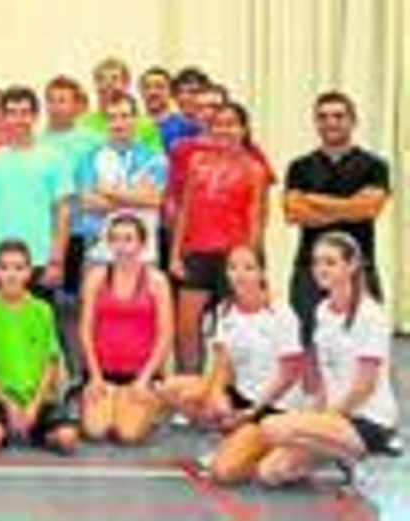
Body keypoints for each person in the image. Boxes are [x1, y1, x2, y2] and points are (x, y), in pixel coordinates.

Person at [254, 233, 399, 487]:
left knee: (272, 427)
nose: (321, 269)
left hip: (369, 421)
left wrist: (323, 420)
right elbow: (325, 375)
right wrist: (315, 414)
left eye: (330, 262)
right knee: (270, 473)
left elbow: (364, 387)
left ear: (352, 265)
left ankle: (356, 453)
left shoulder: (371, 315)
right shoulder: (322, 310)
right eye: (317, 262)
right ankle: (335, 452)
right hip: (335, 418)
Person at [155, 245, 305, 484]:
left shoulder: (281, 312)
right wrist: (218, 399)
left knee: (224, 472)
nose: (240, 274)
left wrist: (251, 412)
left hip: (272, 407)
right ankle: (236, 436)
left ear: (262, 273)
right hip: (241, 397)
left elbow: (290, 374)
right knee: (169, 389)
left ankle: (276, 445)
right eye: (233, 268)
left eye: (248, 268)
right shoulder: (225, 310)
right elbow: (222, 366)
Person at [282, 91, 390, 353]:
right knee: (309, 344)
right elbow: (294, 214)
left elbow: (369, 210)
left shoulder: (375, 165)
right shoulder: (299, 166)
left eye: (339, 116)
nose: (331, 122)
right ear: (316, 123)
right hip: (309, 267)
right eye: (323, 117)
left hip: (359, 266)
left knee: (364, 346)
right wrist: (350, 207)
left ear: (353, 121)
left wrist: (313, 199)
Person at [169, 103, 270, 375]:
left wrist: (251, 264)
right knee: (186, 327)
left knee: (233, 328)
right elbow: (185, 209)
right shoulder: (196, 161)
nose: (225, 130)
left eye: (232, 124)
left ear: (244, 129)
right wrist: (175, 254)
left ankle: (230, 389)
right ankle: (188, 387)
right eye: (219, 124)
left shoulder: (255, 169)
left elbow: (256, 218)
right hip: (196, 251)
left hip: (234, 255)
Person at [0, 241, 81, 454]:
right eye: (4, 267)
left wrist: (35, 405)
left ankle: (30, 430)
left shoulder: (43, 310)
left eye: (19, 268)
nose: (12, 274)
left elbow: (52, 363)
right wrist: (8, 403)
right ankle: (0, 429)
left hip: (36, 398)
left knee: (68, 439)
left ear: (29, 272)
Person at [0, 87, 73, 301]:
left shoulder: (55, 159)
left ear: (34, 116)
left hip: (39, 261)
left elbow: (63, 213)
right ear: (3, 117)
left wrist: (57, 260)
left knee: (36, 331)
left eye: (24, 112)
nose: (18, 119)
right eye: (12, 112)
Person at [76, 216, 173, 445]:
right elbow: (85, 329)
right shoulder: (96, 277)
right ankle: (113, 400)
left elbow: (166, 335)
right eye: (116, 239)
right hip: (103, 373)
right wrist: (95, 376)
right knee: (95, 432)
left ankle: (143, 400)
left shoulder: (157, 281)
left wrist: (144, 379)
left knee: (128, 435)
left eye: (129, 239)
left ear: (142, 244)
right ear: (109, 244)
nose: (122, 246)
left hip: (140, 375)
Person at [71, 96, 166, 270]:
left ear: (135, 119)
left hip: (144, 254)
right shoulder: (88, 158)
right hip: (99, 252)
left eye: (125, 116)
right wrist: (135, 196)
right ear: (105, 122)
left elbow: (156, 199)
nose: (119, 123)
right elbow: (88, 203)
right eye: (112, 117)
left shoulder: (154, 158)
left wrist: (107, 191)